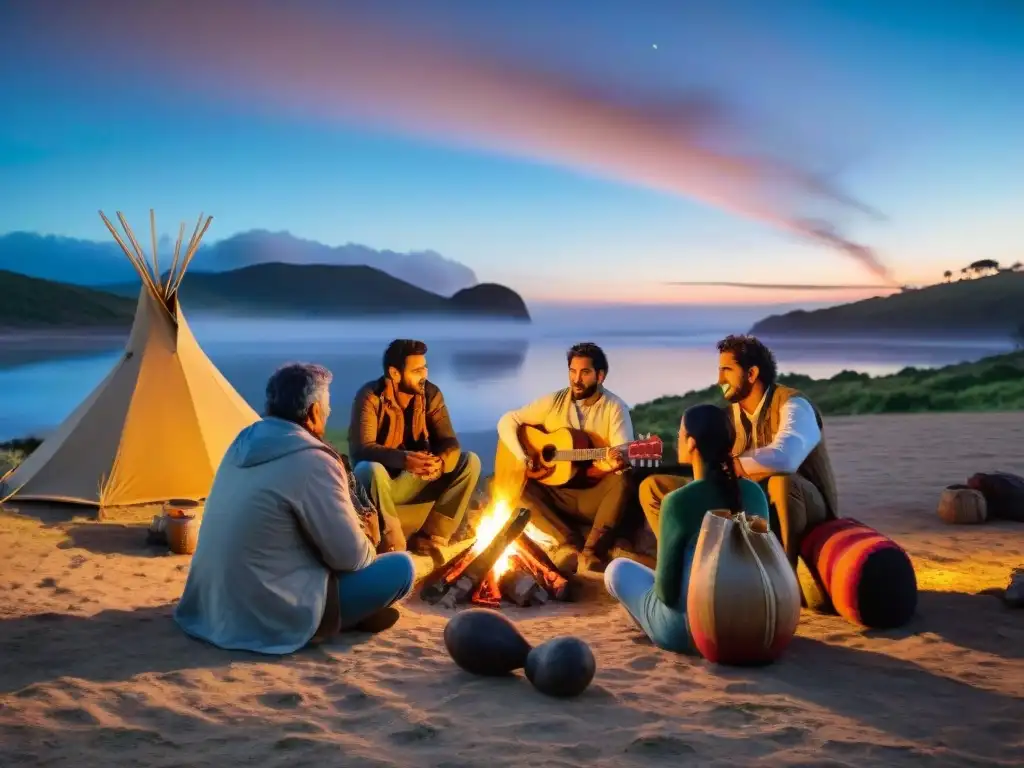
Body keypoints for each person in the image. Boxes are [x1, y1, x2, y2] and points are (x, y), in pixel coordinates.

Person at [174, 363, 415, 655]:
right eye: (326, 407)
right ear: (313, 412)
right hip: (272, 613)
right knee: (402, 568)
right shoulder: (313, 460)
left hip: (212, 606)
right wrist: (371, 539)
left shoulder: (242, 442)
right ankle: (342, 619)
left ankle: (355, 614)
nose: (327, 414)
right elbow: (350, 559)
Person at [638, 334, 839, 606]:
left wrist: (735, 465)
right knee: (653, 487)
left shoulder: (793, 404)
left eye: (727, 370)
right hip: (751, 499)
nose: (720, 379)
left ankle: (783, 581)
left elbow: (786, 457)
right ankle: (688, 566)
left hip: (803, 505)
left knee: (781, 482)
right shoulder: (732, 415)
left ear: (752, 373)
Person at [605, 404, 770, 652]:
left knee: (616, 570)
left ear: (691, 443)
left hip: (691, 632)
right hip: (750, 625)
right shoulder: (754, 493)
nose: (678, 438)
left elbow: (666, 593)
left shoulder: (677, 502)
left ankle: (650, 627)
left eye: (680, 433)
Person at [496, 342, 633, 574]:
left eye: (585, 372)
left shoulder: (615, 407)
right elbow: (508, 420)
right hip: (558, 493)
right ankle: (568, 544)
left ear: (600, 376)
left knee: (623, 481)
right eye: (572, 371)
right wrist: (523, 457)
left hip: (593, 496)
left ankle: (591, 553)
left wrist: (610, 465)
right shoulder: (554, 401)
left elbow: (624, 451)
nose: (576, 379)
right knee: (511, 488)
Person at [349, 339, 481, 555]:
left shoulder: (431, 394)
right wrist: (404, 459)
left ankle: (432, 537)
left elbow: (449, 442)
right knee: (369, 469)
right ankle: (392, 543)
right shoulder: (371, 396)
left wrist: (439, 462)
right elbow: (363, 449)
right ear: (394, 373)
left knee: (469, 461)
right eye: (417, 370)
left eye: (425, 367)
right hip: (386, 484)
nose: (425, 375)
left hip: (420, 476)